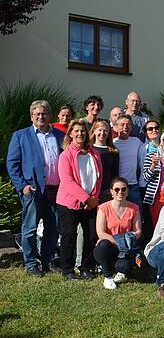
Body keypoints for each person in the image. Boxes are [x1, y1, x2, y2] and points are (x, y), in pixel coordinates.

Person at [6, 100, 64, 276]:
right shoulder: (20, 136)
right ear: (32, 116)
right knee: (30, 228)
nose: (41, 116)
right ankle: (31, 263)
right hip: (33, 190)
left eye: (44, 113)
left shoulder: (59, 136)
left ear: (50, 116)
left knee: (52, 228)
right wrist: (22, 185)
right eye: (37, 114)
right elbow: (12, 164)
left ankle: (47, 261)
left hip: (55, 190)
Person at [56, 120, 102, 280]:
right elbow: (67, 181)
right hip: (68, 203)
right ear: (70, 134)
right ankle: (67, 269)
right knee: (69, 236)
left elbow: (98, 177)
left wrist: (94, 198)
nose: (80, 134)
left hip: (90, 203)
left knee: (90, 235)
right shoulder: (65, 155)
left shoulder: (94, 153)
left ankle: (86, 267)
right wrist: (86, 198)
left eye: (83, 131)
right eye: (76, 131)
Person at [94, 177, 142, 289]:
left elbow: (138, 231)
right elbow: (101, 233)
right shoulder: (103, 208)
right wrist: (119, 241)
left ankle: (121, 271)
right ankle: (108, 276)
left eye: (123, 189)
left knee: (123, 266)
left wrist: (130, 238)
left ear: (127, 191)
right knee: (103, 245)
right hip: (109, 246)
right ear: (111, 191)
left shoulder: (134, 208)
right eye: (116, 189)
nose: (120, 192)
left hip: (126, 248)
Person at [113, 114, 143, 204]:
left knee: (137, 213)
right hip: (117, 187)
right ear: (116, 127)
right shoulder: (113, 143)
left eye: (128, 124)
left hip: (133, 185)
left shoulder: (136, 141)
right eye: (122, 125)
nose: (125, 127)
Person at [90, 120, 120, 203]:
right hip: (90, 190)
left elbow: (115, 173)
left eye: (105, 130)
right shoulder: (88, 150)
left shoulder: (113, 151)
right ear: (94, 131)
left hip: (106, 191)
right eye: (100, 130)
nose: (102, 133)